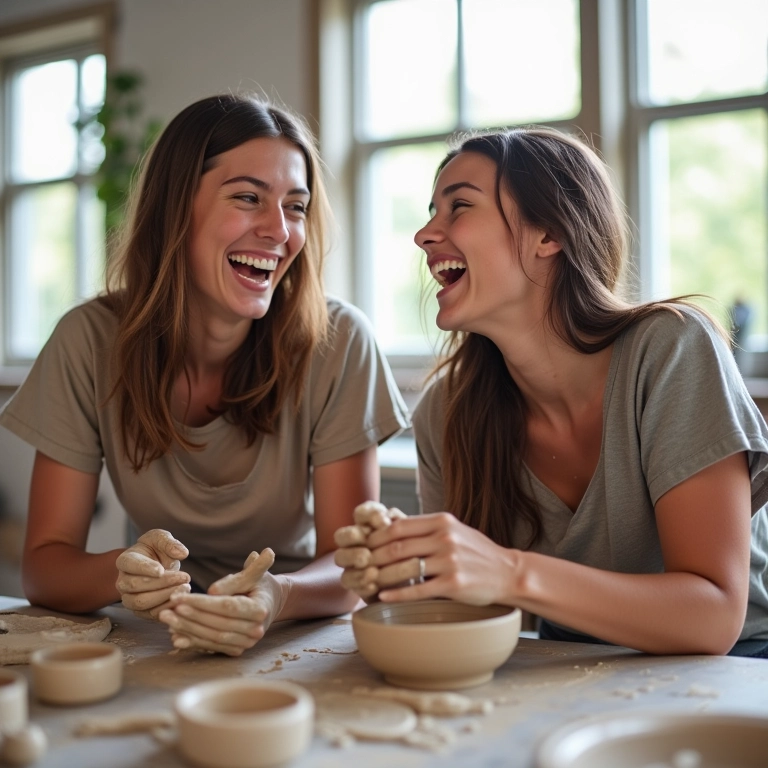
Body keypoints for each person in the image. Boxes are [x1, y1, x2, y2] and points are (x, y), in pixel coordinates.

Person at [0, 93, 409, 656]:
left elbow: (350, 567)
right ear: (175, 209)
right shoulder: (87, 341)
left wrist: (274, 595)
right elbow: (44, 567)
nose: (279, 231)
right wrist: (122, 575)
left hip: (299, 629)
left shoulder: (339, 342)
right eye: (248, 198)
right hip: (154, 633)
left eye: (295, 206)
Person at [343, 127, 768, 657]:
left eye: (459, 208)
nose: (425, 234)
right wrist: (410, 581)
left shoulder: (671, 348)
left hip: (738, 664)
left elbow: (714, 616)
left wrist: (508, 571)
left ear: (549, 234)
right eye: (432, 211)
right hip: (569, 662)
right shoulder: (445, 411)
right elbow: (477, 615)